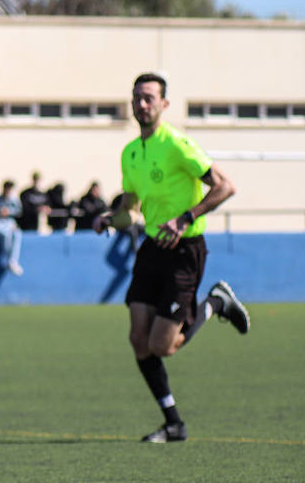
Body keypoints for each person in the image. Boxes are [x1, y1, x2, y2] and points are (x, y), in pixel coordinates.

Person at [92, 72, 250, 443]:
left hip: (185, 252)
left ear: (164, 104)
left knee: (162, 346)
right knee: (138, 339)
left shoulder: (177, 144)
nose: (142, 104)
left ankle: (214, 302)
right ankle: (173, 423)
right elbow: (131, 209)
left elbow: (225, 186)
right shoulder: (130, 153)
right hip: (151, 249)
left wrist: (185, 218)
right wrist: (107, 220)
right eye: (137, 98)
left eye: (149, 98)